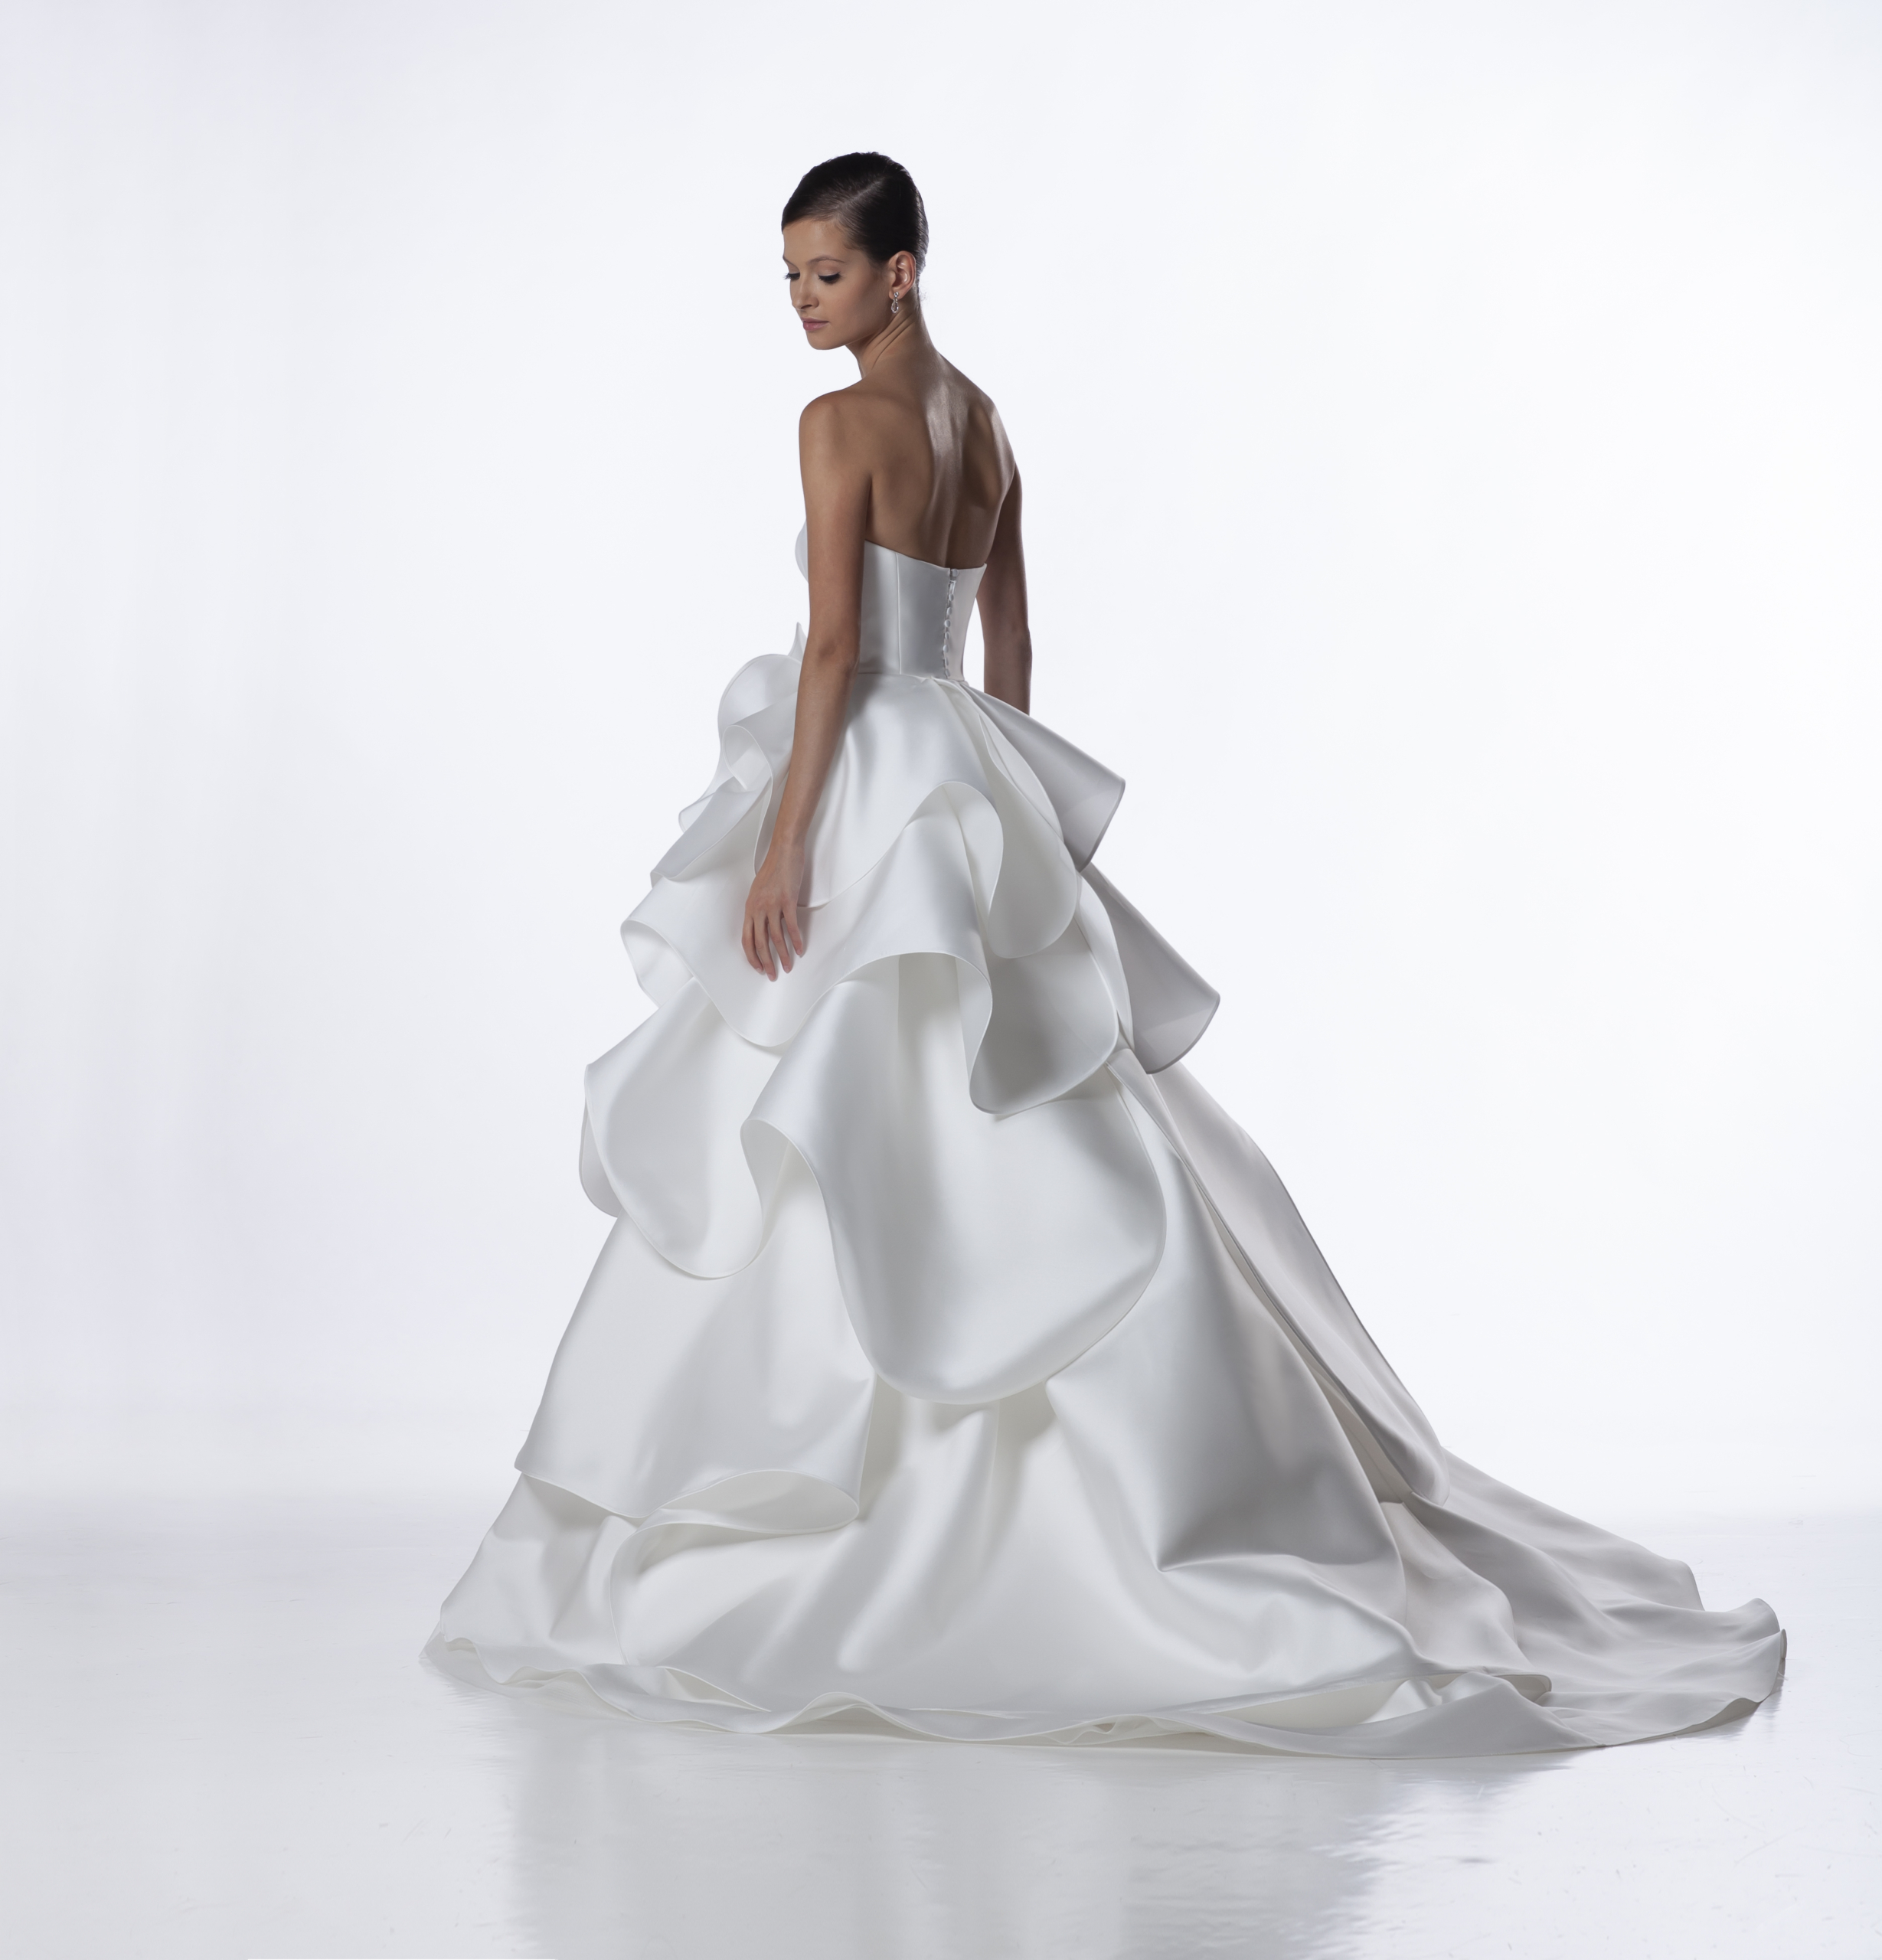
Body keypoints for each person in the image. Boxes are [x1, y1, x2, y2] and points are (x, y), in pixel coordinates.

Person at [426, 153, 1783, 1753]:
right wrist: (1000, 804)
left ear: (899, 271)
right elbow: (1006, 641)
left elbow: (841, 647)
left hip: (865, 766)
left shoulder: (835, 426)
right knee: (1005, 1094)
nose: (800, 302)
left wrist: (787, 844)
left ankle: (836, 1504)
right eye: (787, 276)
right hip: (959, 765)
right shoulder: (986, 423)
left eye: (826, 274)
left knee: (831, 1111)